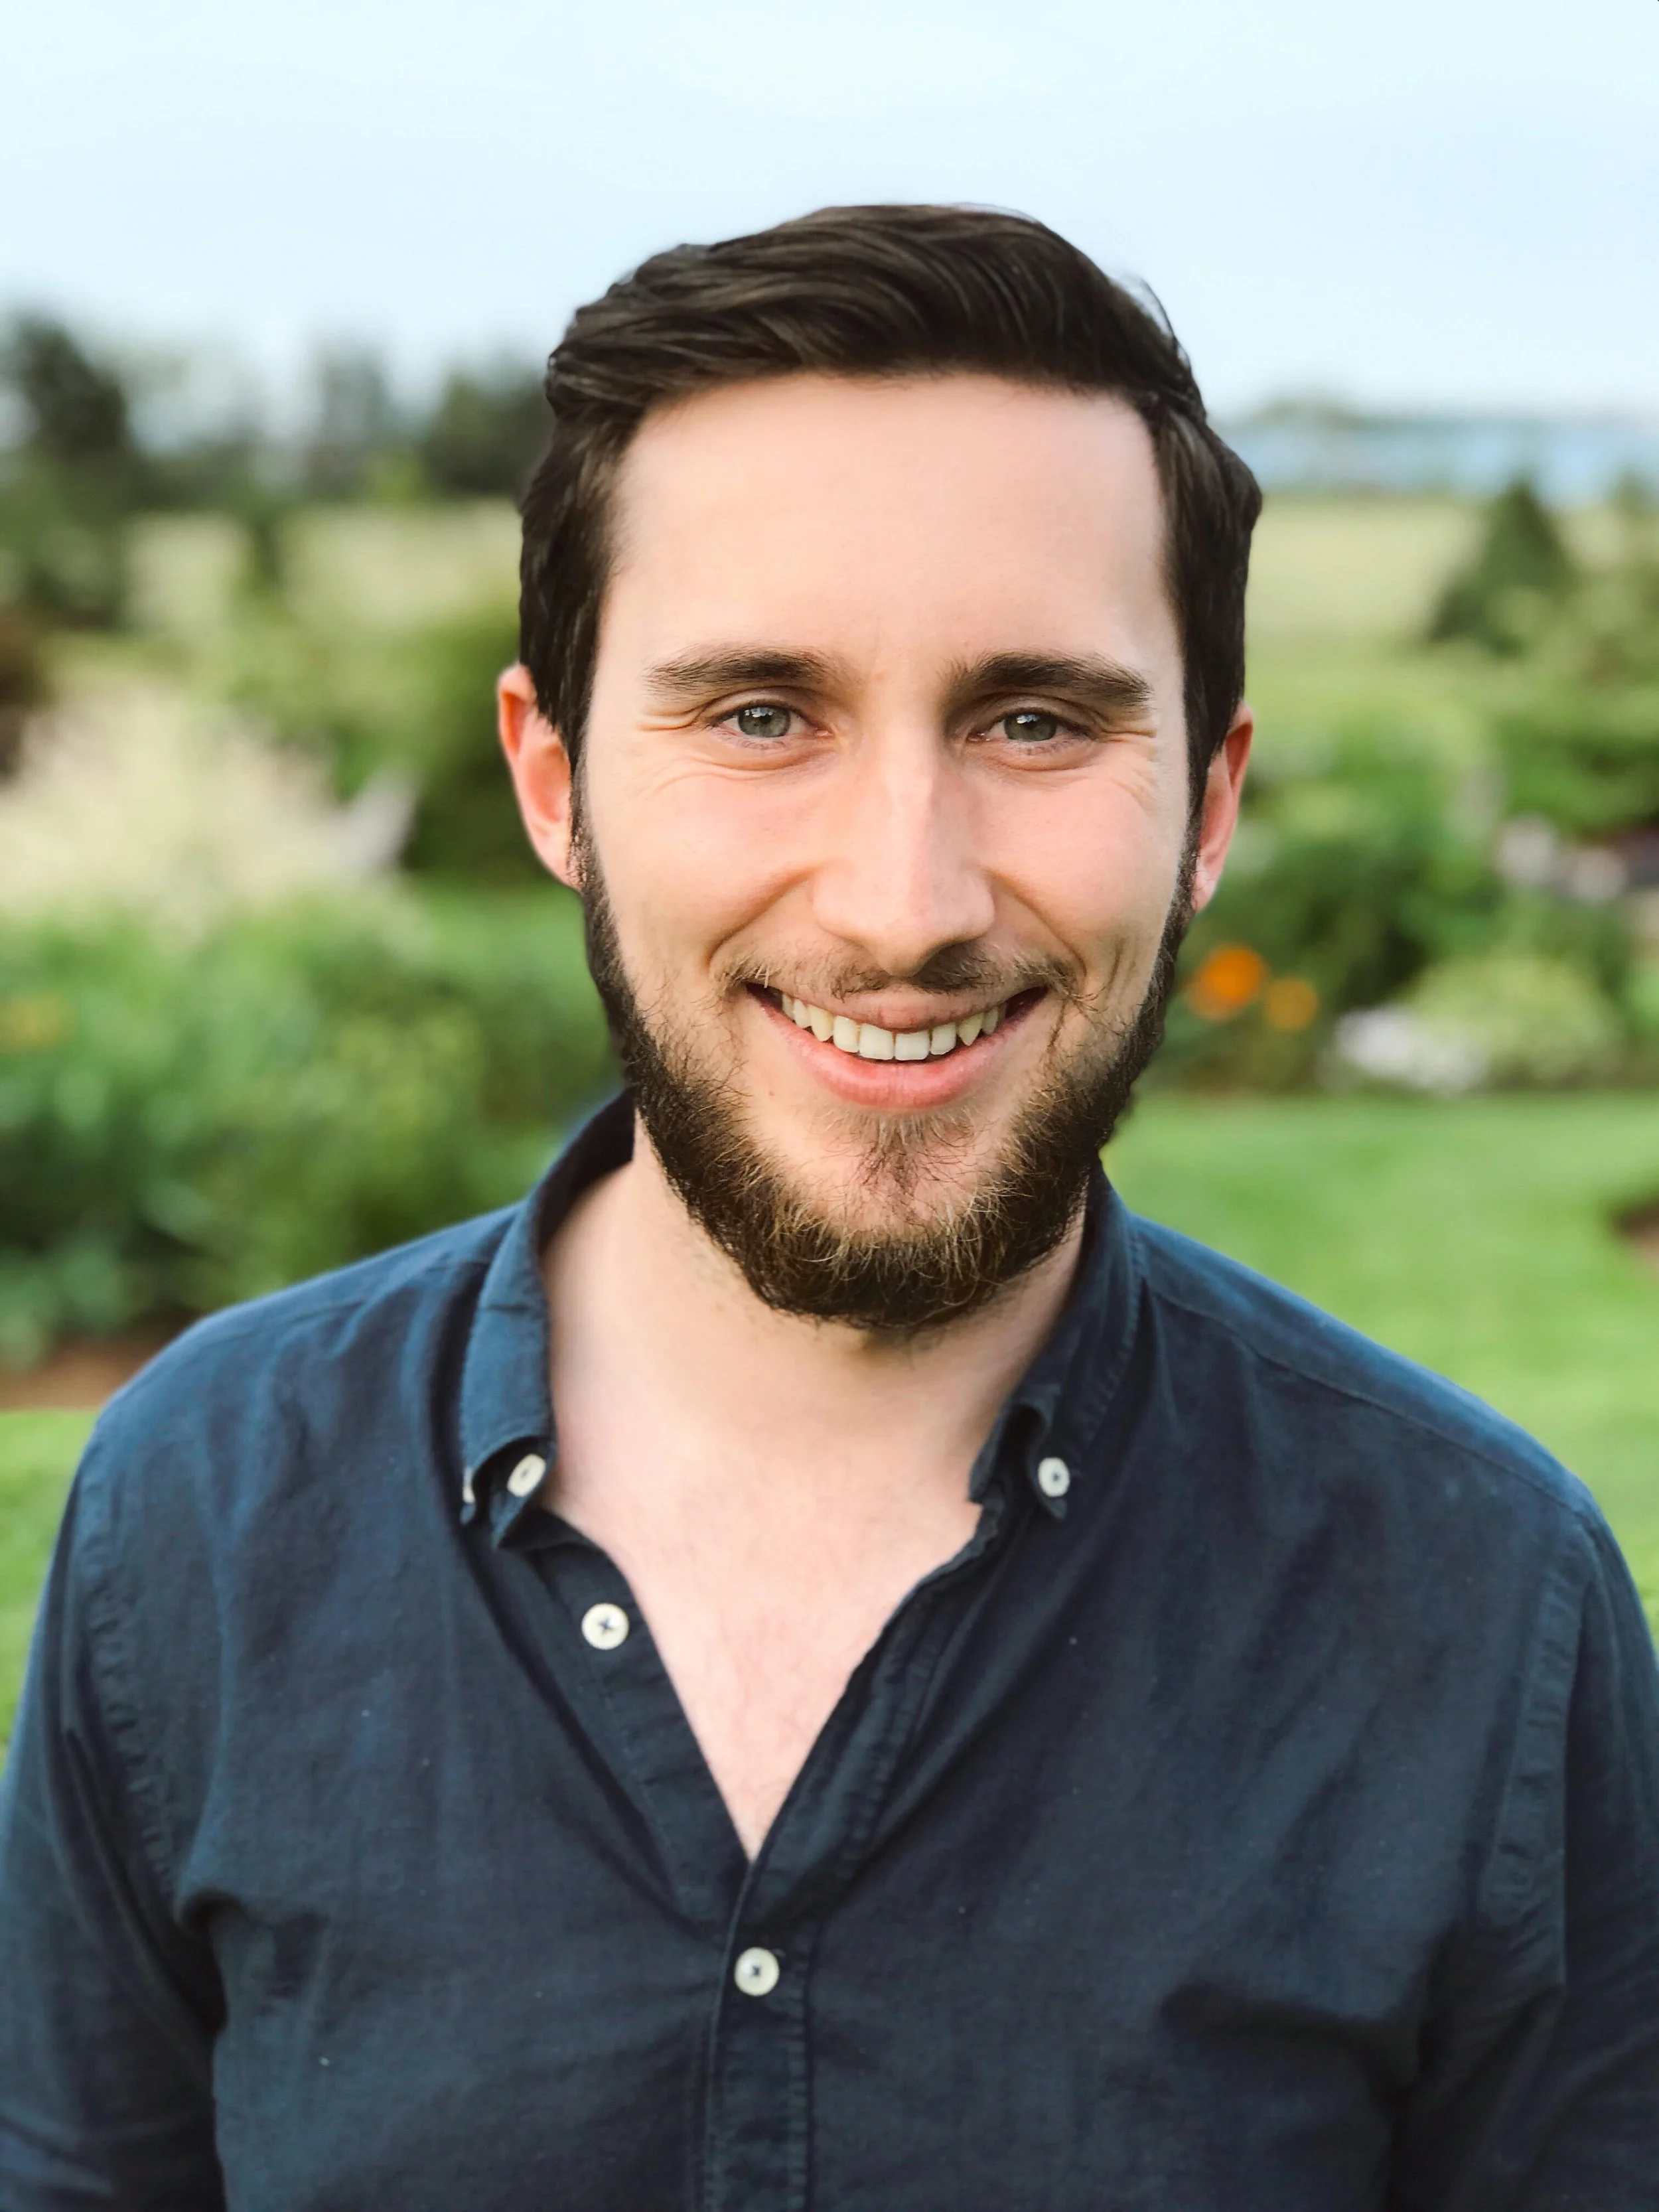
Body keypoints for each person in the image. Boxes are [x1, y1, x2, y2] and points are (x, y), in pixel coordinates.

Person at [1, 205, 1655, 2212]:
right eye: (760, 713)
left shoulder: (1481, 1608)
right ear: (552, 780)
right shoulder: (198, 1503)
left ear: (1208, 805)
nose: (903, 900)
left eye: (1035, 718)